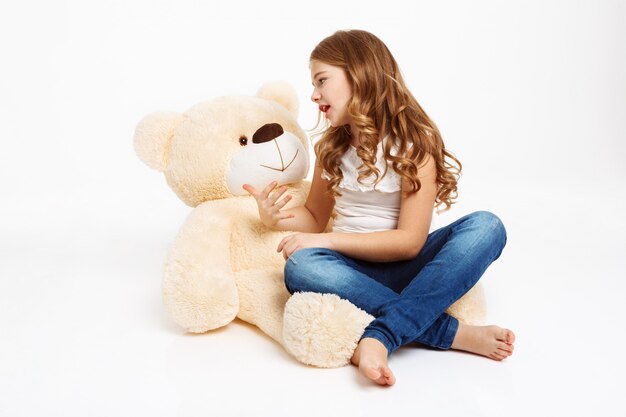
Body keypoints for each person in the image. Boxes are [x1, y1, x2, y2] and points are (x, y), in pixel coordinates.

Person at [243, 29, 515, 387]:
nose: (314, 94)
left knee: (487, 226)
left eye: (322, 80)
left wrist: (329, 241)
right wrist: (273, 217)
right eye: (313, 83)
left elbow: (409, 243)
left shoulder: (414, 147)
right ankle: (451, 333)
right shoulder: (331, 150)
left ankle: (381, 336)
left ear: (360, 74)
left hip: (409, 267)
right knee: (300, 266)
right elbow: (314, 218)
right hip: (350, 273)